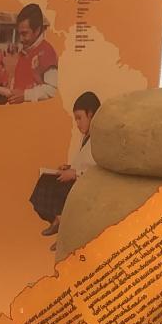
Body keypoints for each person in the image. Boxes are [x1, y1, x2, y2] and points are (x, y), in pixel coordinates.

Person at [30, 91, 100, 236]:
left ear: (91, 114)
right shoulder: (86, 137)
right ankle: (58, 221)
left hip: (88, 185)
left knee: (58, 188)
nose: (77, 124)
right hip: (79, 178)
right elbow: (84, 162)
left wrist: (75, 174)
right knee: (45, 180)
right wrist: (69, 168)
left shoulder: (100, 139)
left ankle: (61, 224)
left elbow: (98, 168)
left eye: (80, 118)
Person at [2, 2, 59, 104]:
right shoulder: (25, 51)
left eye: (24, 34)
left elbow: (52, 90)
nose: (20, 39)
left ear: (37, 30)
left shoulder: (47, 52)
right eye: (19, 34)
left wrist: (26, 95)